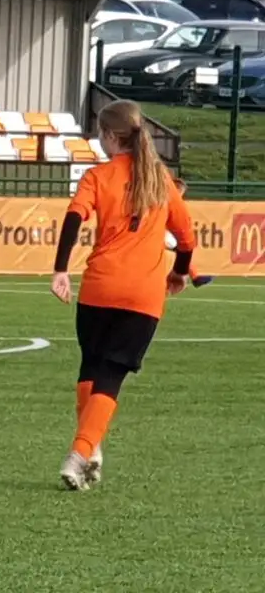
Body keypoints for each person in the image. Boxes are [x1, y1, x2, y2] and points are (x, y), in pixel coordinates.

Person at [50, 100, 195, 491]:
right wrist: (180, 273)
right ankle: (82, 451)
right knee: (111, 375)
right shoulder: (161, 180)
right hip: (143, 296)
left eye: (100, 134)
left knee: (91, 367)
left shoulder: (98, 176)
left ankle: (90, 448)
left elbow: (73, 217)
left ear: (113, 137)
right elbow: (187, 238)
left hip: (99, 286)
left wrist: (61, 268)